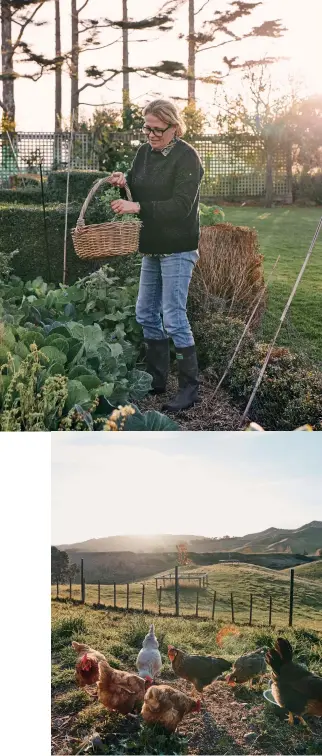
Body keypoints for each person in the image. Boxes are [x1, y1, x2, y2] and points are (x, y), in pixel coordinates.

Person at [107, 98, 204, 413]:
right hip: (151, 246)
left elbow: (180, 206)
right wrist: (125, 185)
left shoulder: (188, 158)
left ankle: (190, 388)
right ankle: (157, 378)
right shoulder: (143, 153)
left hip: (177, 247)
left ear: (174, 128)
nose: (150, 135)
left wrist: (138, 207)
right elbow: (137, 191)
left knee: (174, 317)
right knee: (146, 313)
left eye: (157, 130)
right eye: (146, 128)